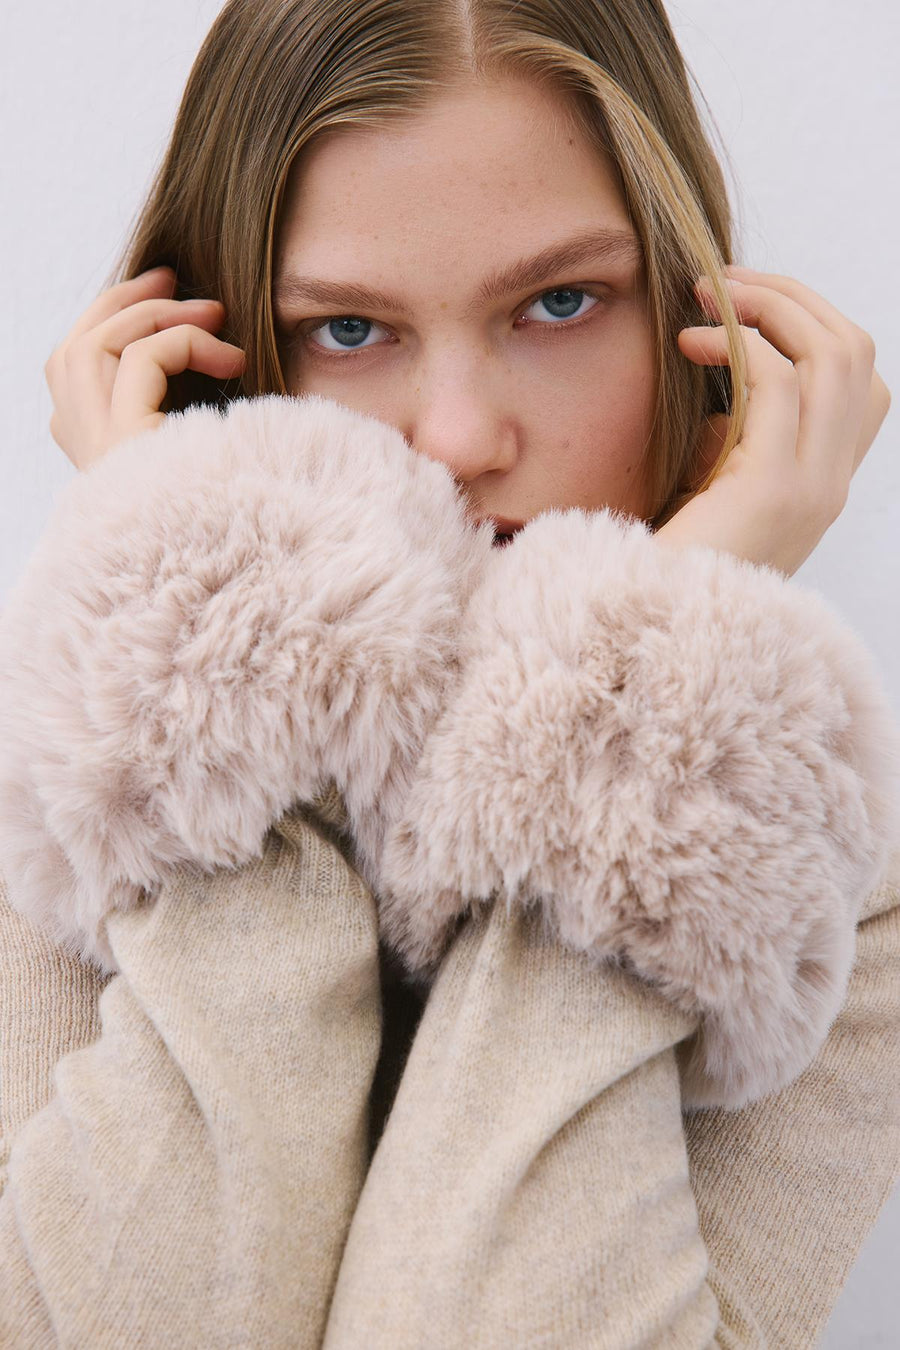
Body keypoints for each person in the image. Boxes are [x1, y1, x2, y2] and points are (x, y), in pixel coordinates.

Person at [1, 0, 898, 1345]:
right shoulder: (68, 789)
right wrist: (218, 661)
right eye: (349, 332)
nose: (464, 439)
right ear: (217, 356)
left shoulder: (829, 874)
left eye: (558, 302)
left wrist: (626, 722)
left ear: (691, 319)